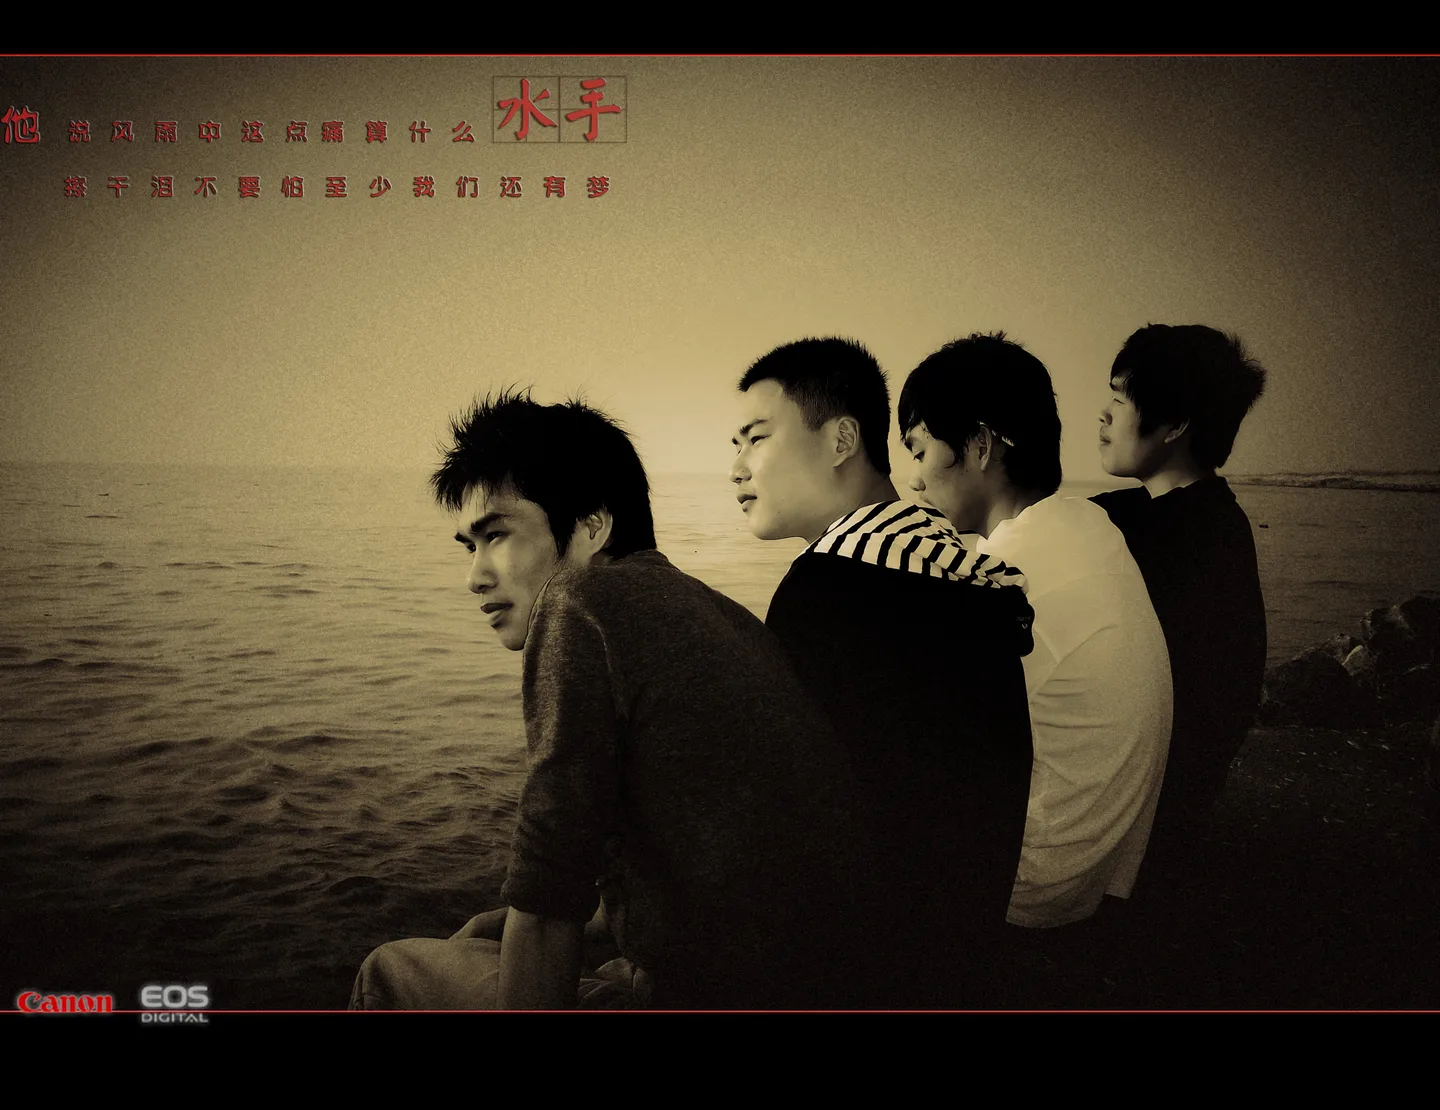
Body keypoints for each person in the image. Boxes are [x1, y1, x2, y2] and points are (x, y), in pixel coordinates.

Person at [352, 391, 862, 1010]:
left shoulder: (579, 604)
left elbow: (549, 894)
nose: (475, 575)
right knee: (495, 935)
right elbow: (710, 859)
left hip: (703, 996)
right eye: (469, 546)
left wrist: (534, 926)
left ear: (592, 527)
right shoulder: (718, 614)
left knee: (390, 969)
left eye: (497, 535)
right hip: (819, 983)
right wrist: (527, 921)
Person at [730, 337, 1034, 1007]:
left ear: (841, 440)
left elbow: (787, 824)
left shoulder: (828, 592)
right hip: (962, 947)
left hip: (871, 971)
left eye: (756, 438)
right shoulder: (954, 563)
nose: (736, 468)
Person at [896, 333, 1172, 942]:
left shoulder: (1001, 576)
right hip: (1100, 860)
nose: (913, 480)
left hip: (1032, 886)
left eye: (919, 450)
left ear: (979, 445)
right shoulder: (1090, 525)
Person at [1092, 324, 1268, 875]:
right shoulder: (1145, 514)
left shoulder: (1197, 540)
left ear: (1175, 425)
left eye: (1120, 400)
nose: (1103, 415)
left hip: (1142, 811)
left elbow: (1212, 700)